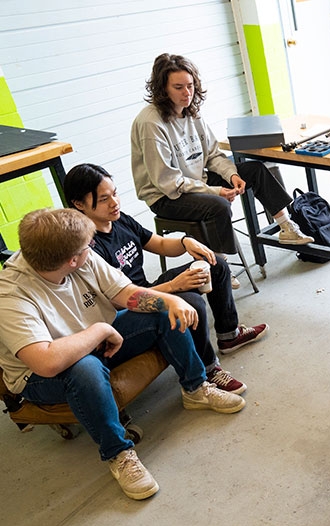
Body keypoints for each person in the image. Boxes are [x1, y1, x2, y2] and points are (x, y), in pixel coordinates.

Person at [0, 208, 246, 501]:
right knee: (85, 368)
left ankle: (196, 387)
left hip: (99, 339)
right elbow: (47, 361)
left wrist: (168, 299)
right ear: (71, 260)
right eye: (85, 248)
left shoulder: (81, 256)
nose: (91, 248)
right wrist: (101, 329)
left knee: (162, 310)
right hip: (41, 375)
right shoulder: (12, 295)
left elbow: (125, 294)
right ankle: (118, 453)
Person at [65, 163, 267, 395]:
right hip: (129, 306)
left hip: (147, 288)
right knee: (192, 301)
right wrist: (174, 286)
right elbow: (115, 302)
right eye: (103, 199)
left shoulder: (120, 220)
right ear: (79, 204)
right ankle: (209, 369)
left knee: (215, 265)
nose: (114, 203)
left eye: (115, 193)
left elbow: (157, 243)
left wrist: (185, 242)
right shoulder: (87, 249)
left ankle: (229, 336)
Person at [131, 53, 312, 256]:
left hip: (196, 181)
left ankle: (286, 227)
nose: (187, 93)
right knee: (218, 205)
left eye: (190, 85)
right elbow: (167, 182)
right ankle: (219, 264)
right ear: (163, 88)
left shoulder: (191, 113)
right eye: (178, 87)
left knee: (254, 169)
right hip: (165, 197)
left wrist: (231, 175)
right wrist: (215, 191)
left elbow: (213, 155)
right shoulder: (151, 124)